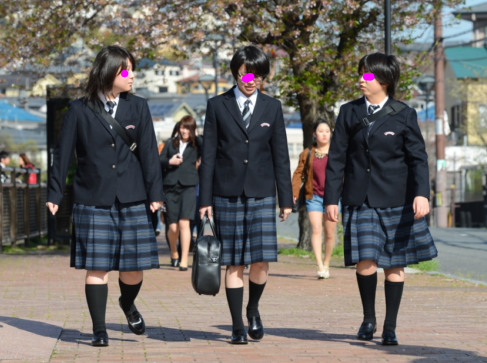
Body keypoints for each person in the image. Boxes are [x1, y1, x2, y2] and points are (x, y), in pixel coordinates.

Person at [46, 45, 165, 347]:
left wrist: (156, 193)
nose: (132, 75)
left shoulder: (138, 107)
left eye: (132, 69)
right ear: (109, 71)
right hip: (92, 198)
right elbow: (62, 155)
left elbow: (149, 152)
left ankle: (127, 304)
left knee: (133, 268)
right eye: (126, 70)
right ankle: (99, 329)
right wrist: (55, 192)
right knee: (97, 266)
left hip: (133, 197)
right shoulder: (78, 110)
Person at [324, 53, 437, 346]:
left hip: (398, 200)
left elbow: (418, 159)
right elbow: (336, 158)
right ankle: (369, 318)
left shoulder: (404, 113)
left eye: (368, 75)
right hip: (359, 199)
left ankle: (390, 326)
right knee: (366, 260)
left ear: (384, 80)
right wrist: (331, 199)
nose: (362, 79)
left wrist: (422, 194)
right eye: (361, 74)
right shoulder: (348, 112)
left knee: (395, 266)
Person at [199, 45, 293, 345]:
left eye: (258, 75)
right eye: (246, 74)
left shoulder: (272, 107)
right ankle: (237, 324)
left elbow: (281, 156)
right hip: (226, 193)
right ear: (236, 72)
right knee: (234, 262)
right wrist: (205, 201)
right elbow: (209, 156)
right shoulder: (217, 106)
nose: (251, 80)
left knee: (261, 261)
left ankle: (253, 309)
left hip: (262, 192)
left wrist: (286, 199)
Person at [292, 120, 335, 279]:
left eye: (327, 131)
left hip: (332, 199)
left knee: (329, 233)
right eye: (321, 131)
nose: (324, 134)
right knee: (316, 228)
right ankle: (320, 265)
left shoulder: (337, 153)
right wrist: (294, 192)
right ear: (314, 134)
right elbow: (298, 173)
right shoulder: (307, 153)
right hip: (313, 196)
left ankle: (327, 262)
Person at [160, 116, 202, 271]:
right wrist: (170, 161)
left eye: (188, 128)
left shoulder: (197, 144)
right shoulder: (171, 143)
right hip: (170, 187)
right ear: (179, 128)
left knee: (185, 223)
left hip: (189, 187)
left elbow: (207, 148)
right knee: (173, 227)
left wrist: (196, 136)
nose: (184, 131)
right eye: (182, 128)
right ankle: (173, 251)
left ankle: (184, 259)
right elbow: (158, 160)